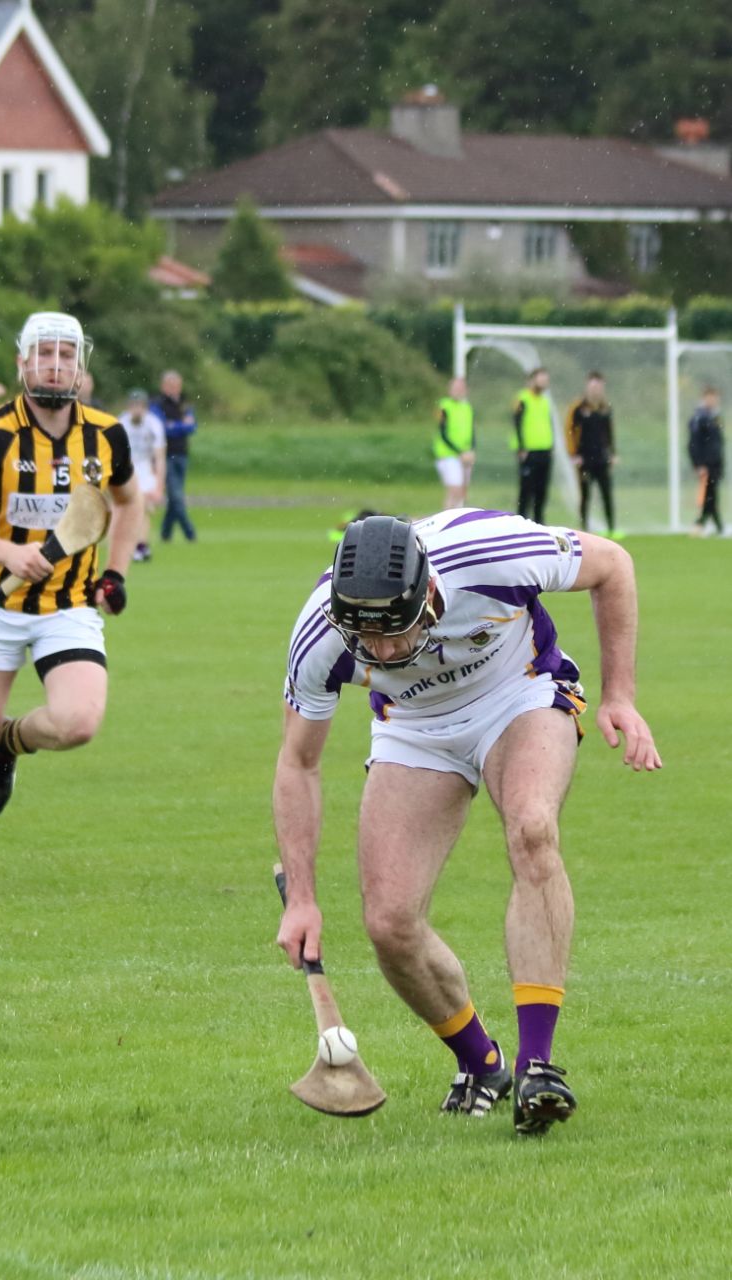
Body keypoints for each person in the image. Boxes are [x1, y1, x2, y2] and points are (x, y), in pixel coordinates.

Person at [274, 511, 661, 1135]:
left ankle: (539, 1068)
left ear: (428, 593)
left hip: (521, 693)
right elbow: (298, 763)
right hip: (416, 729)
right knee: (388, 921)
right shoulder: (320, 632)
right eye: (365, 638)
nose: (382, 651)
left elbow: (613, 564)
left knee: (533, 829)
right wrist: (304, 898)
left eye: (395, 633)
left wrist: (620, 694)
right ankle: (482, 1064)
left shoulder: (490, 554)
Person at [0, 311, 144, 893]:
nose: (54, 364)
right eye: (43, 354)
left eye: (65, 355)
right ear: (22, 364)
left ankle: (11, 740)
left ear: (81, 368)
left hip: (68, 605)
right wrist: (6, 553)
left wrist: (115, 573)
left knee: (78, 723)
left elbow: (128, 502)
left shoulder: (106, 434)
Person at [566, 371, 619, 536]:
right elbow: (569, 431)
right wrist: (574, 454)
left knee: (607, 494)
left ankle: (611, 529)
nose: (596, 389)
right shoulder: (578, 408)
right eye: (593, 386)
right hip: (584, 459)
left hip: (602, 459)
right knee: (585, 495)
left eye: (599, 386)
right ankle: (584, 528)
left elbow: (609, 432)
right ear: (587, 386)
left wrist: (613, 453)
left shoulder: (605, 408)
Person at [150, 370, 197, 542]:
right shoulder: (157, 404)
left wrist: (174, 426)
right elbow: (160, 428)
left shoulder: (184, 403)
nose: (174, 389)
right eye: (170, 385)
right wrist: (180, 426)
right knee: (176, 496)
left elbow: (192, 426)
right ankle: (189, 532)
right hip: (165, 455)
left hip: (182, 453)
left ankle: (165, 533)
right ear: (163, 386)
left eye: (177, 385)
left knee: (174, 497)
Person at [119, 389, 165, 561]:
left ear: (145, 407)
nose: (137, 409)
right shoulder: (121, 423)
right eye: (134, 405)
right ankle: (136, 545)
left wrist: (159, 484)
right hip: (128, 467)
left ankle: (140, 545)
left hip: (145, 468)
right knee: (131, 508)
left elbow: (159, 456)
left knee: (144, 507)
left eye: (140, 406)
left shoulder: (153, 424)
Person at [512, 368, 554, 523]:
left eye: (545, 379)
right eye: (541, 378)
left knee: (541, 491)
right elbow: (517, 422)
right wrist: (521, 447)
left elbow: (548, 425)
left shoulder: (545, 400)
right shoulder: (522, 398)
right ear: (532, 380)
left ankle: (539, 523)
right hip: (529, 452)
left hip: (545, 451)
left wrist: (551, 447)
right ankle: (520, 523)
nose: (544, 382)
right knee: (526, 491)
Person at [687, 386, 725, 536]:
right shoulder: (699, 418)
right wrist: (698, 464)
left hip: (715, 463)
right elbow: (693, 443)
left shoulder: (715, 417)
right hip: (706, 465)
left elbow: (717, 443)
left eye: (715, 398)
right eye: (710, 398)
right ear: (704, 399)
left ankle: (704, 524)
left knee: (712, 496)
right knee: (710, 496)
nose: (713, 401)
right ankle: (706, 524)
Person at [433, 376, 476, 508]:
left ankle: (457, 521)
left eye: (461, 388)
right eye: (455, 388)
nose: (458, 391)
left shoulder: (467, 407)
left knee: (463, 493)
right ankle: (446, 522)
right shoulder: (443, 406)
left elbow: (472, 431)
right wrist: (459, 452)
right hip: (448, 455)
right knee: (454, 491)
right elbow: (443, 433)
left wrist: (472, 450)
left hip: (466, 455)